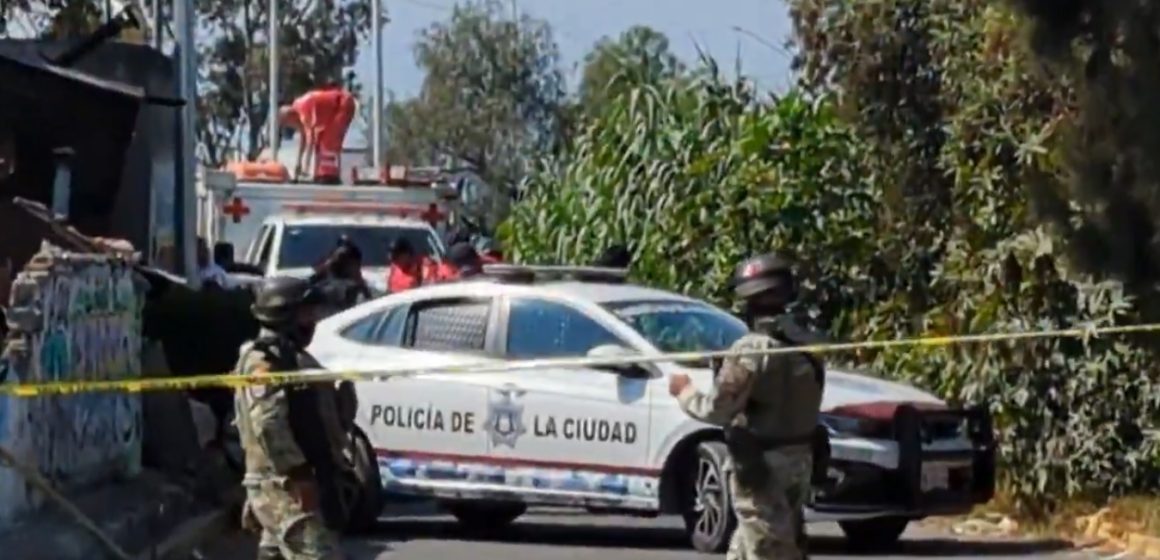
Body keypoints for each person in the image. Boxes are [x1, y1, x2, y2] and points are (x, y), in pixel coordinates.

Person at [668, 253, 825, 560]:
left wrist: (684, 391)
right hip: (799, 461)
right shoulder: (808, 343)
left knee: (768, 549)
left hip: (761, 467)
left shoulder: (752, 349)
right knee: (751, 545)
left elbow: (716, 409)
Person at [233, 276, 348, 559]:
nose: (313, 321)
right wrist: (298, 476)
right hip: (284, 485)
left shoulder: (292, 358)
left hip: (289, 483)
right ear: (283, 315)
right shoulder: (263, 362)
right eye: (306, 313)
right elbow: (268, 423)